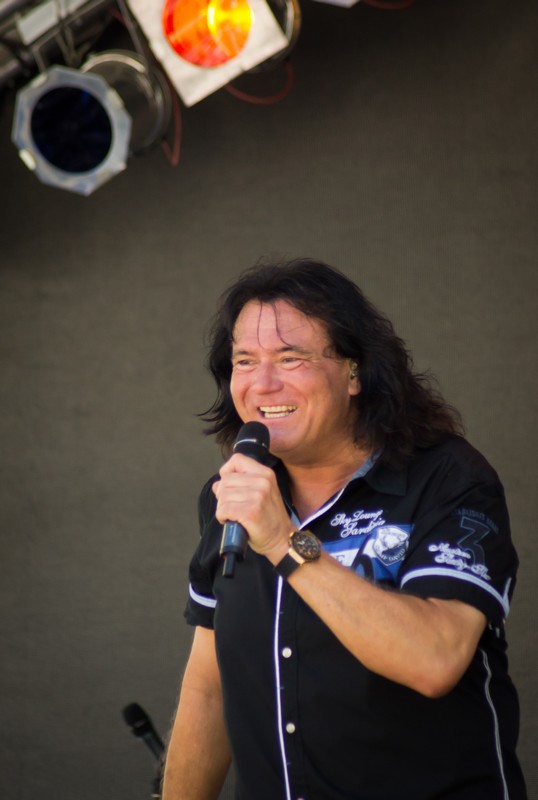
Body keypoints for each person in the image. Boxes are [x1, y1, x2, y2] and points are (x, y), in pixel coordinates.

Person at [162, 258, 527, 800]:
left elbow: (435, 659)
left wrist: (284, 542)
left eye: (291, 357)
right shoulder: (233, 492)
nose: (263, 383)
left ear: (355, 372)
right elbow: (210, 689)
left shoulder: (447, 478)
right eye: (245, 361)